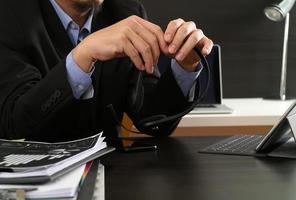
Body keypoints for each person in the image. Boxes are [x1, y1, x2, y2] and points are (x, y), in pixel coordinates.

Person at [0, 0, 213, 144]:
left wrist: (185, 66)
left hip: (113, 179)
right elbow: (15, 124)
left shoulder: (126, 11)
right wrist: (82, 56)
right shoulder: (9, 14)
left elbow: (152, 119)